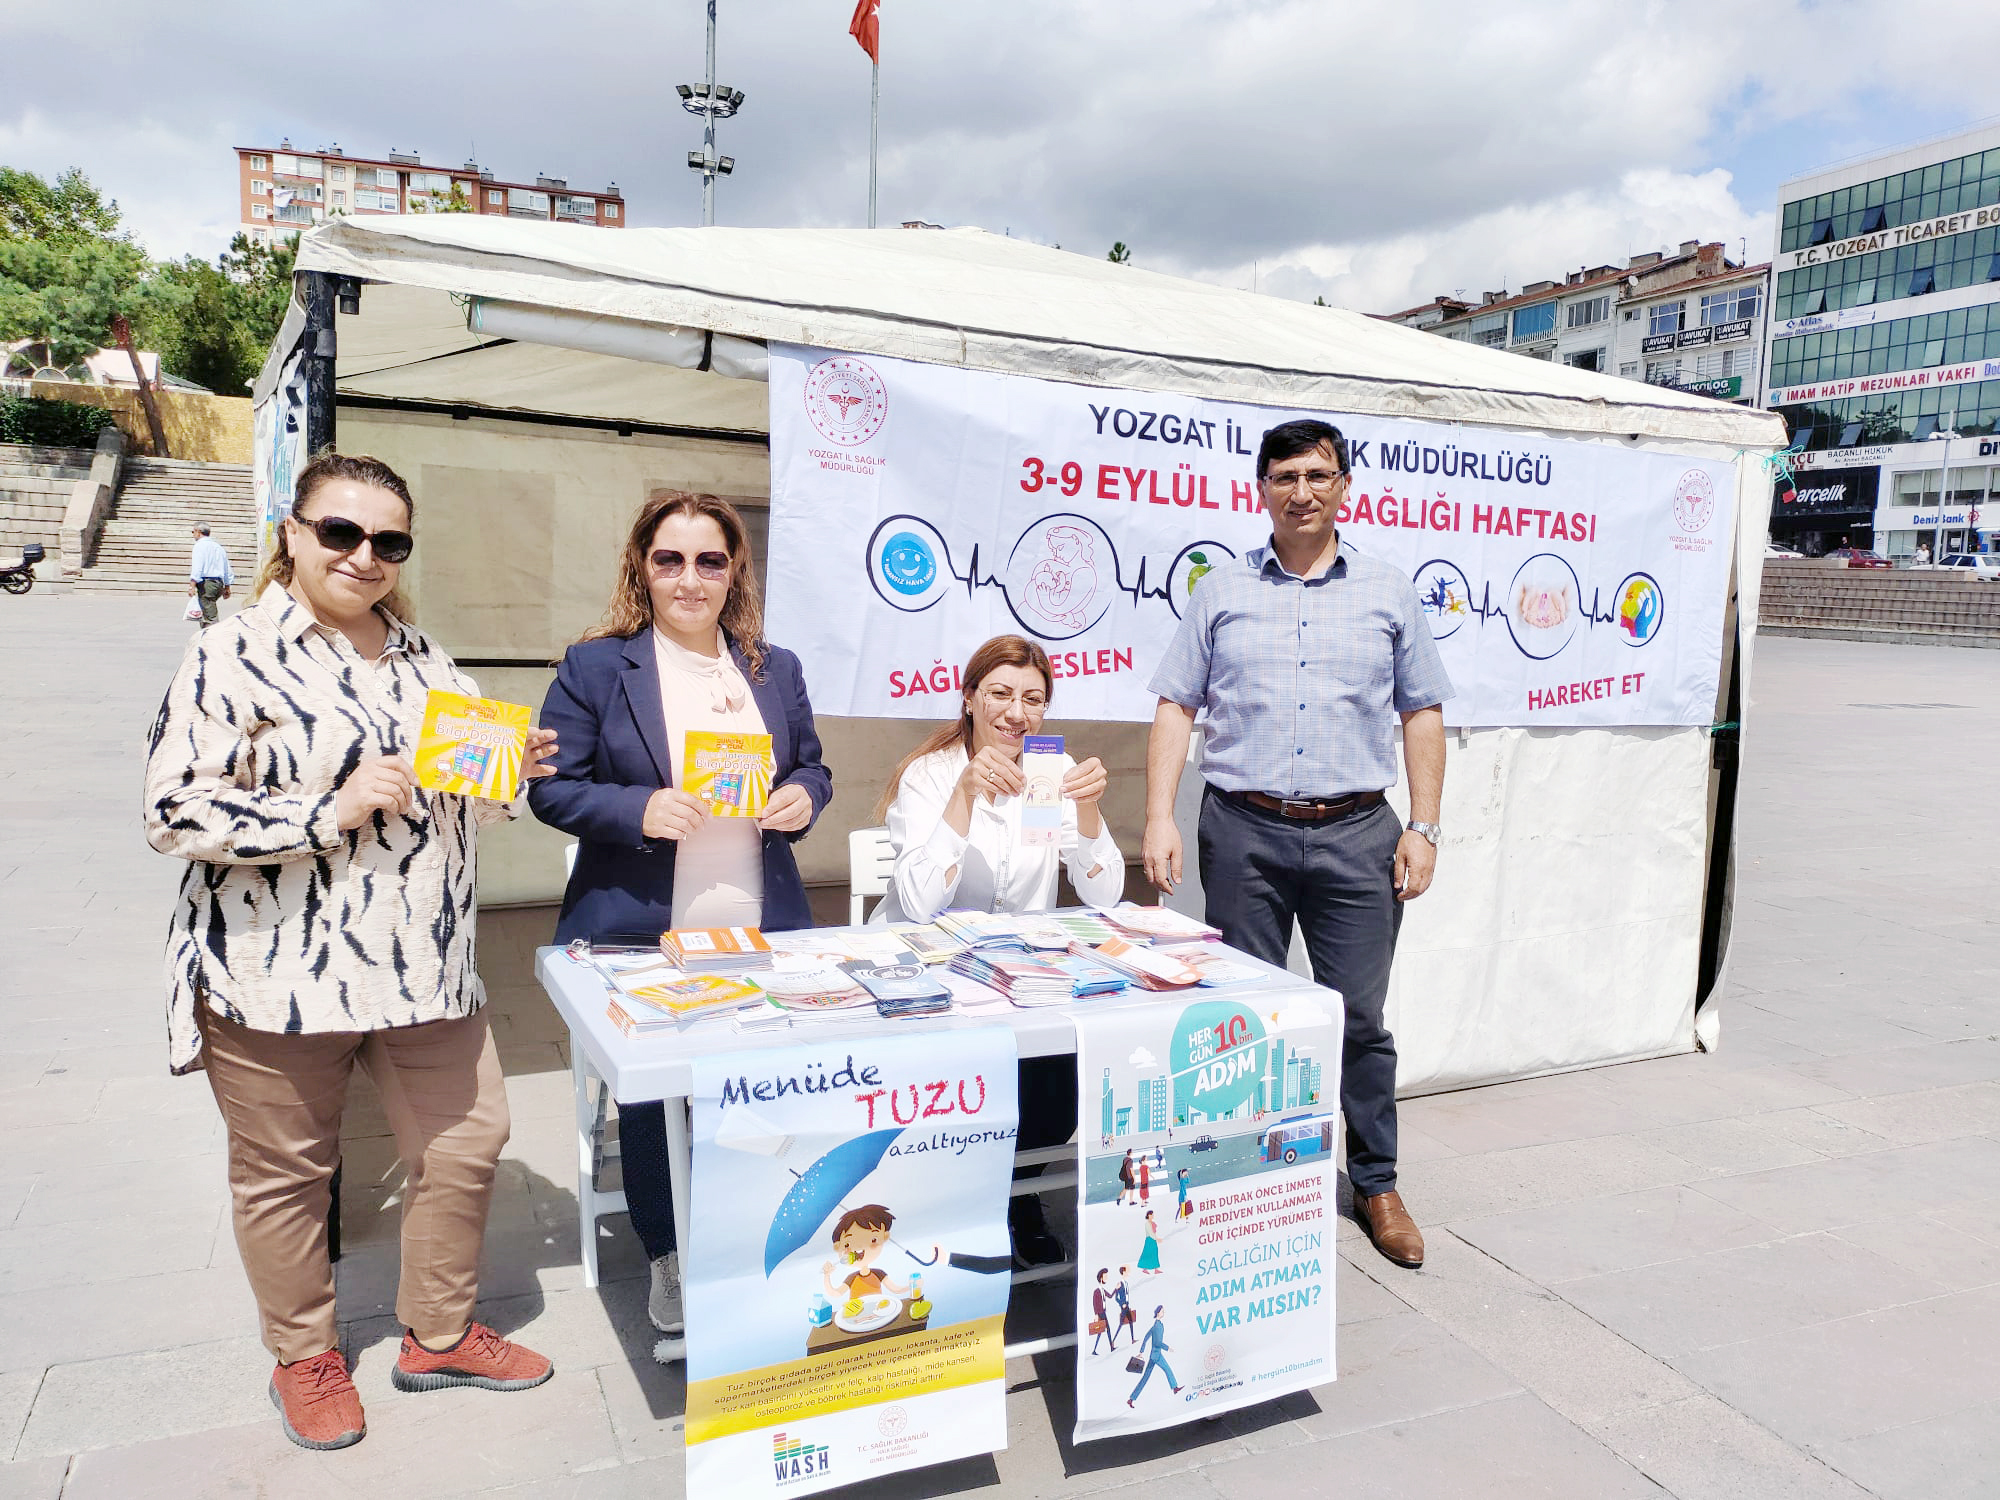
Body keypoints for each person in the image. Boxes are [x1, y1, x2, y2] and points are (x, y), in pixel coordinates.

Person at [142, 454, 560, 1453]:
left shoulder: (422, 656)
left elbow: (458, 786)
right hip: (277, 971)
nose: (364, 556)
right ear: (291, 533)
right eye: (341, 532)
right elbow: (172, 809)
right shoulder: (229, 653)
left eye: (388, 541)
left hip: (425, 965)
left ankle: (440, 1333)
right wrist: (325, 809)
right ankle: (304, 1354)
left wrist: (504, 770)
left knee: (463, 1145)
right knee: (286, 1174)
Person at [1144, 418, 1452, 1273]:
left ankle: (1376, 1181)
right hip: (1243, 831)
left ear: (1345, 486)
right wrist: (1161, 815)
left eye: (1319, 475)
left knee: (1357, 1018)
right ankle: (1241, 1177)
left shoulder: (1389, 591)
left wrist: (1423, 827)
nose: (1303, 491)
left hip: (1360, 835)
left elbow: (1421, 710)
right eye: (1286, 476)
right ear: (1261, 489)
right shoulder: (1221, 591)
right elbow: (1176, 703)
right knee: (1241, 1018)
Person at [530, 490, 831, 1340]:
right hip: (639, 929)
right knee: (660, 1103)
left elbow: (813, 767)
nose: (690, 578)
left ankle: (760, 1238)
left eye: (710, 559)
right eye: (671, 559)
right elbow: (552, 786)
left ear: (735, 570)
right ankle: (668, 1253)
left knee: (769, 1092)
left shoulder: (775, 668)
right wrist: (638, 809)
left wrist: (803, 800)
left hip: (762, 926)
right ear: (643, 567)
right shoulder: (598, 667)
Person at [873, 633, 1123, 1265]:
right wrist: (964, 796)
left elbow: (1106, 895)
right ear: (969, 700)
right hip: (930, 970)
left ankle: (1020, 1189)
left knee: (1066, 1071)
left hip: (1022, 975)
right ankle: (963, 1197)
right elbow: (919, 901)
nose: (1017, 712)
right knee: (964, 1070)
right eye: (1001, 695)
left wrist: (1088, 813)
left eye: (1033, 699)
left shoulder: (1050, 770)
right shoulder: (929, 776)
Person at [1126, 1306, 1182, 1406]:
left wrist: (1141, 1351)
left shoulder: (1157, 1325)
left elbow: (1146, 1337)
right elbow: (1157, 1342)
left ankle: (1131, 1399)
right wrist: (1167, 1348)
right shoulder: (1157, 1326)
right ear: (1157, 1313)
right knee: (1167, 1369)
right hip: (1156, 1356)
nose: (1163, 1312)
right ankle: (1175, 1388)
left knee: (1145, 1378)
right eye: (1162, 1311)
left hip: (1155, 1355)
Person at [188, 523, 234, 626]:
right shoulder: (218, 547)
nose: (193, 534)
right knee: (205, 612)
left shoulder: (199, 546)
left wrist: (192, 585)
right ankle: (205, 636)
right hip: (218, 583)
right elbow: (227, 568)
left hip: (207, 584)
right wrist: (227, 586)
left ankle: (213, 637)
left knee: (210, 617)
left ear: (199, 532)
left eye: (193, 532)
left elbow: (197, 567)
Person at [1089, 1269, 1117, 1354]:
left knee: (1101, 1331)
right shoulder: (1096, 1291)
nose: (1107, 1278)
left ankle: (1094, 1350)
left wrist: (1116, 1289)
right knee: (1107, 1329)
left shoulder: (1103, 1290)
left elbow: (1110, 1296)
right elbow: (1094, 1303)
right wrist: (1096, 1314)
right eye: (1105, 1276)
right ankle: (1111, 1347)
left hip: (1103, 1312)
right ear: (1101, 1278)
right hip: (1100, 1313)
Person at [1136, 1209, 1162, 1274]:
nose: (1152, 1216)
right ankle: (1145, 1268)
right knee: (1147, 1253)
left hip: (1153, 1240)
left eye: (1152, 1214)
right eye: (1151, 1215)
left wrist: (1156, 1238)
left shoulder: (1153, 1223)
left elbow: (1154, 1232)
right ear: (1148, 1215)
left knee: (1154, 1252)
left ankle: (1156, 1268)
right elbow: (1150, 1233)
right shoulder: (1147, 1224)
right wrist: (1157, 1239)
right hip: (1149, 1240)